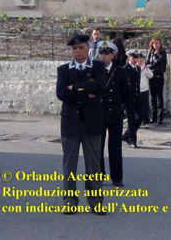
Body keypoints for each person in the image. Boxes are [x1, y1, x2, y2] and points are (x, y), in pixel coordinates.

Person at [55, 34, 106, 215]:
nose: (77, 51)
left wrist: (74, 88)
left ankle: (95, 201)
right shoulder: (64, 70)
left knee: (93, 164)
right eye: (74, 48)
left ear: (88, 49)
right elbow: (61, 93)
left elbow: (99, 86)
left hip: (92, 122)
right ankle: (69, 201)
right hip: (71, 123)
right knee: (69, 164)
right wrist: (86, 91)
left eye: (81, 47)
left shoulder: (98, 67)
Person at [97, 41, 130, 187]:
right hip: (99, 113)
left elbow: (126, 94)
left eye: (106, 54)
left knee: (115, 147)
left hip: (115, 113)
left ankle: (117, 177)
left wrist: (119, 106)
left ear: (113, 55)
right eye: (101, 53)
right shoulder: (95, 71)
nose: (103, 56)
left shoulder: (120, 71)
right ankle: (99, 175)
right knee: (98, 147)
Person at [122, 49, 141, 148]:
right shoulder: (125, 69)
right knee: (131, 120)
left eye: (137, 57)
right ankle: (132, 140)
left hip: (136, 96)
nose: (136, 59)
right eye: (134, 57)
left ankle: (126, 135)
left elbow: (137, 84)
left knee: (141, 116)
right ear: (129, 57)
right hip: (128, 97)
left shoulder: (138, 68)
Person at [146, 37, 167, 125]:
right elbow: (147, 64)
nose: (157, 45)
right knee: (152, 97)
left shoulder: (162, 53)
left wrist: (155, 58)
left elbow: (161, 66)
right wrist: (153, 66)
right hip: (152, 77)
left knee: (159, 97)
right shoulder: (150, 52)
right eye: (155, 43)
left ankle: (160, 117)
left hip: (159, 77)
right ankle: (153, 117)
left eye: (158, 43)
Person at [136, 52, 153, 127]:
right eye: (139, 60)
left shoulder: (145, 67)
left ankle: (146, 121)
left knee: (145, 106)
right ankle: (137, 120)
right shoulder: (135, 67)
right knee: (137, 106)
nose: (140, 61)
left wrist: (146, 70)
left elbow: (151, 76)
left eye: (141, 60)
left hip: (144, 89)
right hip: (137, 90)